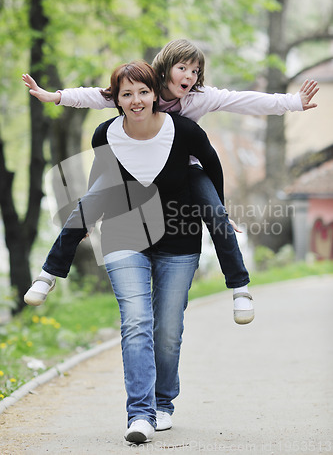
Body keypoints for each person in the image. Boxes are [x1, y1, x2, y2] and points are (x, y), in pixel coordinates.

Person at [22, 39, 319, 325]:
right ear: (164, 68)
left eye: (195, 71)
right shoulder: (142, 88)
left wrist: (293, 102)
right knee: (87, 202)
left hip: (185, 168)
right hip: (134, 169)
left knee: (217, 216)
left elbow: (242, 100)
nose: (189, 76)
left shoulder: (199, 97)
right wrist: (55, 96)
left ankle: (240, 288)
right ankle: (48, 274)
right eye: (183, 68)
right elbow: (96, 95)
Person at [24, 61, 229, 443]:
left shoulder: (184, 131)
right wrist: (86, 218)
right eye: (126, 94)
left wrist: (221, 213)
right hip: (124, 234)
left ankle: (163, 403)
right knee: (136, 321)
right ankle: (140, 414)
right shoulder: (105, 134)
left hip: (178, 239)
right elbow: (102, 178)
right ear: (115, 100)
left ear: (155, 94)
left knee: (167, 330)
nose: (135, 101)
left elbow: (212, 173)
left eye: (143, 92)